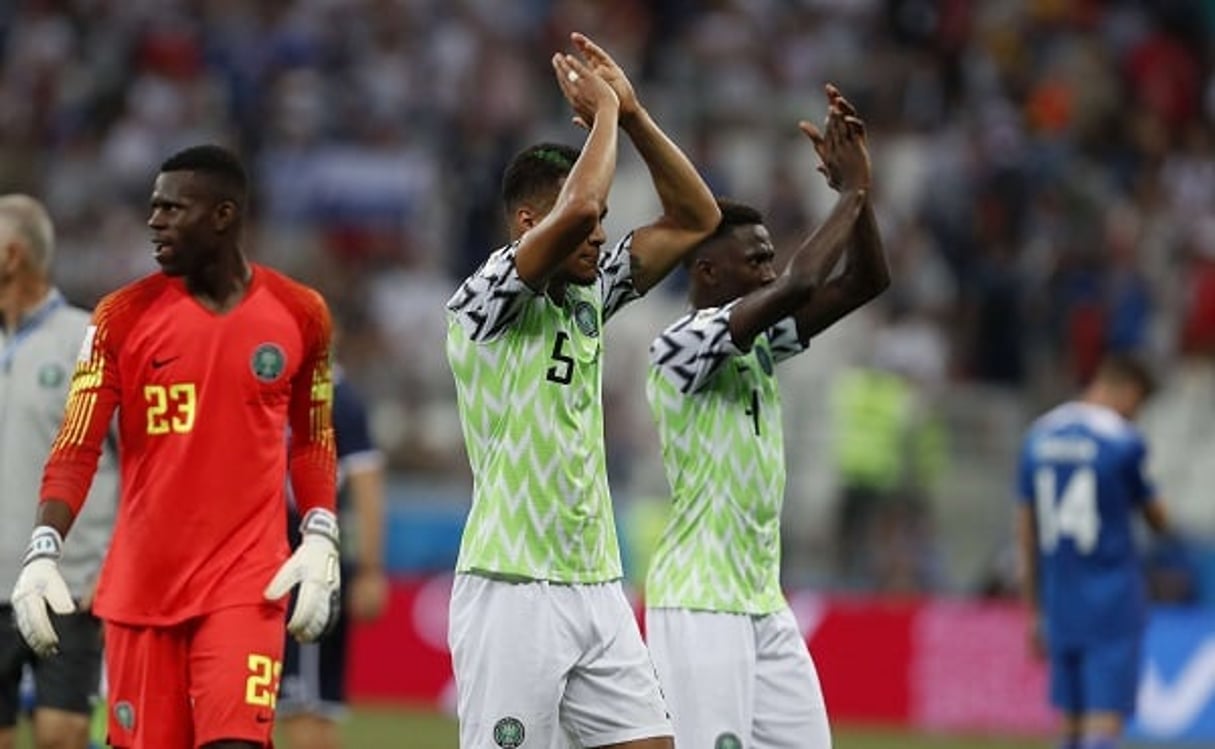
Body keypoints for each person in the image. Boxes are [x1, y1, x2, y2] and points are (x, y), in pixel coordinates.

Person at [8, 145, 342, 749]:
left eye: (171, 209)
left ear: (223, 215)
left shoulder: (301, 314)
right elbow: (77, 444)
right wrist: (43, 547)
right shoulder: (119, 319)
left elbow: (313, 438)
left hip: (246, 585)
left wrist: (321, 531)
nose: (153, 222)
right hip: (142, 590)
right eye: (152, 208)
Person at [445, 32, 720, 749]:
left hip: (596, 582)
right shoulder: (481, 301)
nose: (601, 235)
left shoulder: (588, 293)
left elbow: (697, 219)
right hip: (512, 587)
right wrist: (601, 116)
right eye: (589, 224)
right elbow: (576, 210)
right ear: (526, 225)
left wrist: (632, 116)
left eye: (602, 226)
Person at [643, 85, 889, 749]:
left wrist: (858, 197)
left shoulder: (757, 346)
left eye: (768, 257)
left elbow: (864, 282)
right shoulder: (679, 345)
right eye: (753, 259)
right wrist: (850, 193)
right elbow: (803, 283)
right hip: (698, 601)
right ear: (705, 270)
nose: (767, 270)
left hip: (760, 597)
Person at [0, 195, 118, 749]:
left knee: (61, 734)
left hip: (68, 582)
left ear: (12, 255)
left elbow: (138, 459)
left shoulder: (87, 339)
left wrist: (117, 559)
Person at [1016, 354, 1172, 749]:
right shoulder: (1122, 441)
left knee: (1069, 725)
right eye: (1140, 404)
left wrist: (1035, 610)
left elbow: (1026, 532)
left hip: (1060, 598)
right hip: (1112, 600)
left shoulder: (1039, 435)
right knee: (1103, 725)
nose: (1137, 414)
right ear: (1129, 391)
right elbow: (1159, 519)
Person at [277, 365, 388, 749]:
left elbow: (366, 481)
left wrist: (370, 570)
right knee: (305, 705)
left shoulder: (334, 394)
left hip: (310, 566)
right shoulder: (274, 381)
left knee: (304, 705)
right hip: (281, 562)